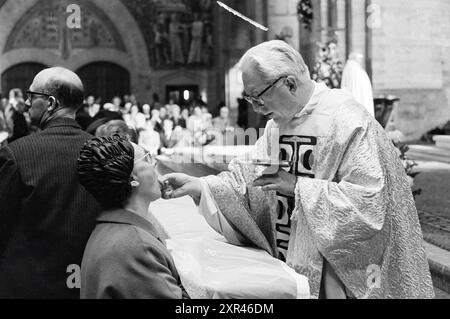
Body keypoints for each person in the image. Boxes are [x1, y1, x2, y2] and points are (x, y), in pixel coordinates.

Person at [162, 40, 434, 299]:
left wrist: (298, 187)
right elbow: (247, 178)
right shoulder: (276, 126)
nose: (256, 107)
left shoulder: (347, 121)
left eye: (258, 97)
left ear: (290, 83)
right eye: (250, 99)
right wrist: (201, 186)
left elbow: (370, 202)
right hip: (287, 265)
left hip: (334, 272)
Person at [0, 67, 101, 298]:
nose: (26, 103)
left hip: (29, 283)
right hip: (87, 279)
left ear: (51, 103)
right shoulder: (102, 151)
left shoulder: (17, 154)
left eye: (31, 96)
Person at [77, 135, 188, 299]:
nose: (154, 163)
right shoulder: (136, 247)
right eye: (147, 158)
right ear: (133, 178)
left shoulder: (111, 229)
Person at [341, 52, 375, 117]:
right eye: (359, 59)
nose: (360, 61)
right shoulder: (354, 69)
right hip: (358, 100)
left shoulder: (353, 68)